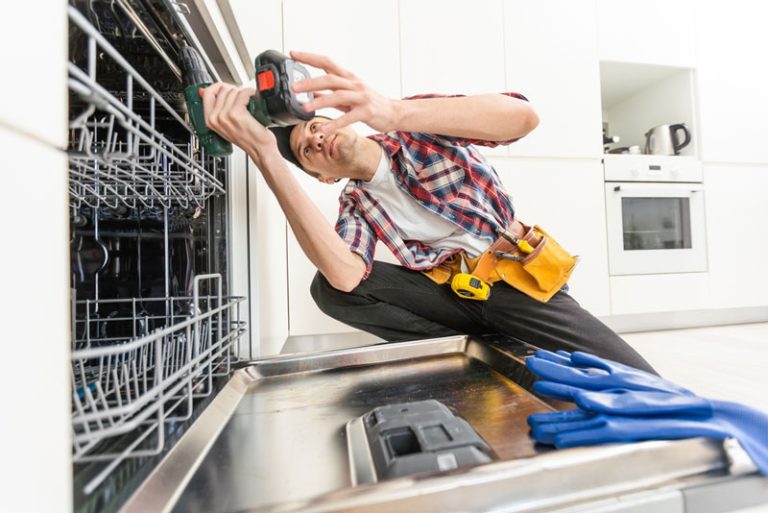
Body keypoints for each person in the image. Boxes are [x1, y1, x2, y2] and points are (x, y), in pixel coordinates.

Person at [200, 51, 656, 374]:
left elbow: (523, 118)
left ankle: (495, 347)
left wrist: (394, 110)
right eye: (307, 150)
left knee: (641, 382)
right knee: (332, 289)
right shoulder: (356, 203)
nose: (317, 139)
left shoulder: (412, 126)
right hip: (456, 297)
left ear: (342, 121)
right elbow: (345, 277)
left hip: (514, 282)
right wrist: (266, 156)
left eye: (317, 127)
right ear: (322, 177)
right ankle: (467, 354)